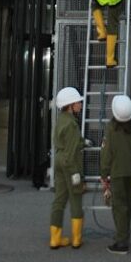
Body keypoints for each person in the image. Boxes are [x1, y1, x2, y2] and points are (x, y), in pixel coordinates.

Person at [100, 94, 131, 254]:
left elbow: (107, 154)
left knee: (119, 207)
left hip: (117, 173)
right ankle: (125, 236)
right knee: (127, 206)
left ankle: (121, 242)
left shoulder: (111, 129)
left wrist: (104, 174)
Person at [50, 86, 86, 250]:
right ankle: (76, 239)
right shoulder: (72, 124)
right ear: (70, 105)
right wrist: (77, 176)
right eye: (78, 101)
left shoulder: (62, 119)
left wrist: (81, 141)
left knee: (59, 198)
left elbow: (65, 142)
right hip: (68, 163)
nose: (80, 103)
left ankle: (55, 239)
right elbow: (71, 155)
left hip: (58, 160)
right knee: (76, 196)